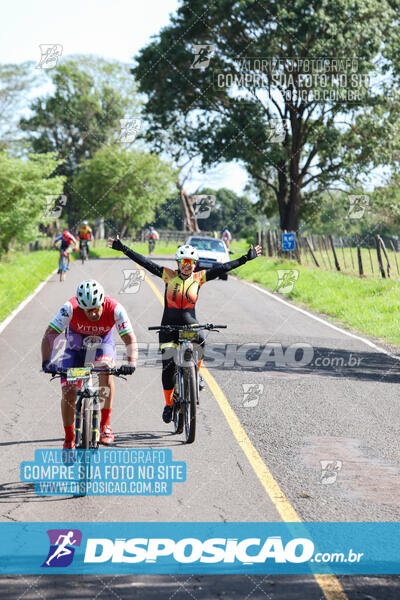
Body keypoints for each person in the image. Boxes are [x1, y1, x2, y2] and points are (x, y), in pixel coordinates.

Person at [107, 236, 262, 423]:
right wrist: (123, 248)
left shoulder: (200, 278)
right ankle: (168, 403)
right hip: (168, 327)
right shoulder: (168, 275)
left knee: (202, 340)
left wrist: (245, 258)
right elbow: (145, 262)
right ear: (178, 263)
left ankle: (196, 374)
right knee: (168, 366)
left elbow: (223, 268)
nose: (187, 266)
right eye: (183, 262)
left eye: (190, 262)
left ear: (195, 264)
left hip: (190, 325)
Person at [41, 280, 137, 448]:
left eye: (95, 309)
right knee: (68, 391)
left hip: (102, 346)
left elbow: (129, 337)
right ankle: (69, 437)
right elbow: (49, 335)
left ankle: (105, 425)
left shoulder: (115, 308)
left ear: (102, 302)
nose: (92, 314)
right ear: (80, 306)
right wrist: (46, 362)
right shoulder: (69, 308)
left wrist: (131, 362)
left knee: (106, 371)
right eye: (87, 310)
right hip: (75, 348)